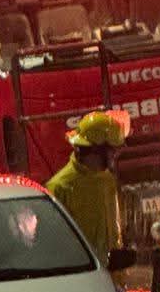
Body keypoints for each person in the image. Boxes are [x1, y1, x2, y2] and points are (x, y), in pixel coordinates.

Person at [45, 110, 127, 265]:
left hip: (110, 277)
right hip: (80, 278)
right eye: (113, 151)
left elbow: (113, 232)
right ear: (96, 150)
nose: (115, 156)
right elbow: (53, 247)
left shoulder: (107, 180)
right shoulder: (59, 188)